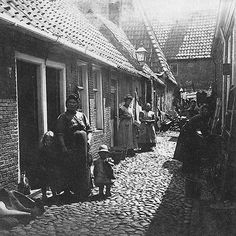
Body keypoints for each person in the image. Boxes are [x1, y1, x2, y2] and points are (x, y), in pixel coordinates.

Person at [55, 94, 92, 200]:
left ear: (77, 104)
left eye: (74, 103)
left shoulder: (82, 116)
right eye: (70, 103)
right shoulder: (62, 117)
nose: (72, 105)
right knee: (71, 167)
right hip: (71, 145)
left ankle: (83, 189)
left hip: (83, 147)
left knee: (83, 166)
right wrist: (63, 147)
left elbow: (89, 130)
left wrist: (89, 141)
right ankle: (69, 191)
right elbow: (60, 133)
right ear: (67, 104)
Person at [174, 104, 211, 199]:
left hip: (191, 134)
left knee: (192, 152)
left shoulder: (203, 118)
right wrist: (202, 137)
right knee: (188, 151)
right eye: (204, 110)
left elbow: (203, 130)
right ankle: (187, 168)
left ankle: (188, 167)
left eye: (207, 111)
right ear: (201, 111)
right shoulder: (198, 118)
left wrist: (206, 136)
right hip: (187, 134)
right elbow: (193, 130)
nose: (205, 112)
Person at [38, 131, 64, 201]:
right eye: (47, 140)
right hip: (44, 168)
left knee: (53, 181)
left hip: (52, 167)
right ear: (44, 140)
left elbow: (56, 158)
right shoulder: (42, 149)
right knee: (43, 182)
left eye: (50, 140)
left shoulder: (54, 149)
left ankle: (54, 194)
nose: (49, 141)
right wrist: (42, 167)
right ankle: (44, 195)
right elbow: (40, 159)